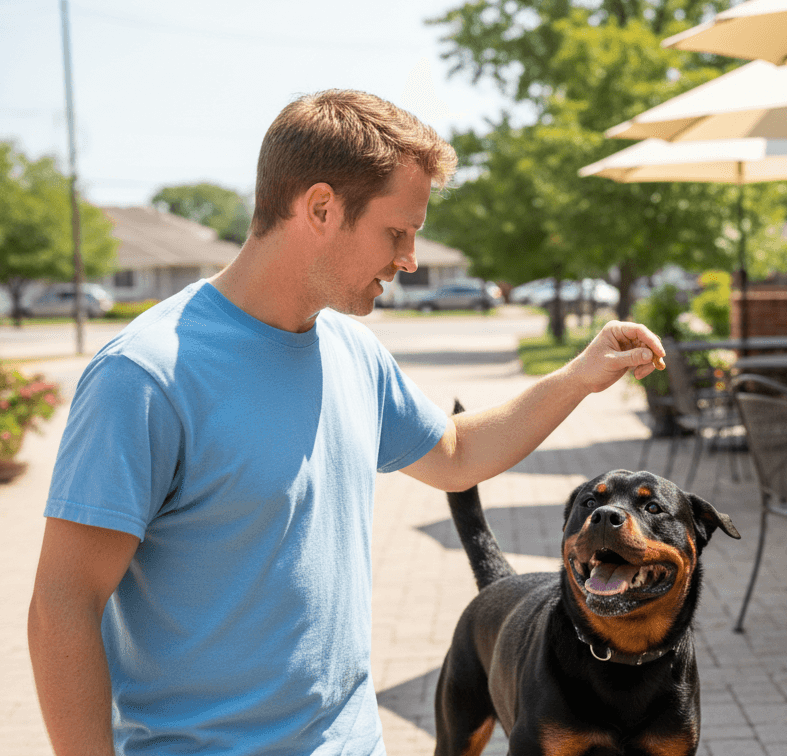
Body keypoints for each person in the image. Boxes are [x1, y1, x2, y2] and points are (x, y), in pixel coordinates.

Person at [27, 89, 665, 756]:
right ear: (321, 207)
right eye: (397, 231)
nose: (411, 258)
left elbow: (453, 453)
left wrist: (579, 377)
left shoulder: (351, 350)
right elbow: (62, 607)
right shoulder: (147, 376)